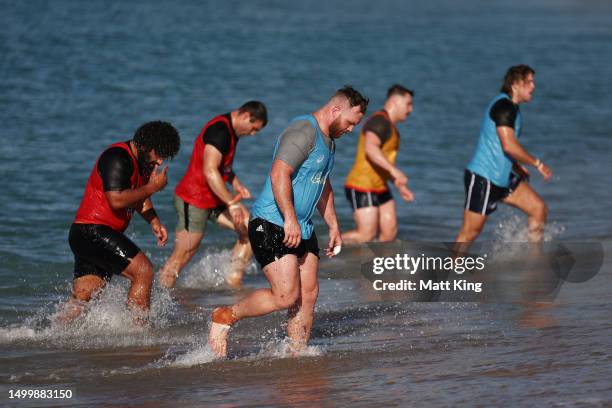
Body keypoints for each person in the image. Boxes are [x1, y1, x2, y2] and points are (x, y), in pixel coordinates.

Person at [208, 86, 369, 357]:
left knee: (309, 294)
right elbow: (279, 172)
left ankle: (298, 353)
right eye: (351, 122)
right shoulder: (304, 130)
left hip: (302, 226)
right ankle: (226, 315)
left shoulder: (329, 142)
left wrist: (333, 225)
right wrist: (290, 220)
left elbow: (322, 183)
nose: (352, 129)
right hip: (272, 223)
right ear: (336, 110)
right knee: (286, 296)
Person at [61, 121, 180, 322]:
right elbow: (117, 200)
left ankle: (52, 335)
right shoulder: (117, 157)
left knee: (86, 294)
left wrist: (154, 221)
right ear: (145, 146)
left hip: (88, 235)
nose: (159, 162)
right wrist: (153, 187)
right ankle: (139, 336)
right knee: (143, 272)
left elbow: (137, 196)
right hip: (92, 231)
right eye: (158, 154)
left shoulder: (142, 162)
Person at [158, 101, 268, 288]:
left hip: (215, 197)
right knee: (181, 258)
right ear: (245, 116)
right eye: (253, 129)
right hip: (193, 200)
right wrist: (232, 204)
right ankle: (157, 301)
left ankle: (232, 282)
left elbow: (222, 166)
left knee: (253, 229)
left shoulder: (233, 132)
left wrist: (236, 183)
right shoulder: (220, 131)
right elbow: (210, 171)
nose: (253, 134)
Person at [455, 65, 552, 254]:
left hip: (503, 177)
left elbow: (500, 145)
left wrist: (516, 166)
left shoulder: (512, 108)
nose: (533, 86)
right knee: (469, 233)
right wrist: (536, 164)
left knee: (538, 208)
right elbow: (509, 145)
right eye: (529, 82)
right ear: (516, 85)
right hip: (484, 177)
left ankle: (535, 260)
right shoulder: (504, 107)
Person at [342, 84, 415, 243]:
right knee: (366, 235)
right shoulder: (379, 122)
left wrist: (399, 184)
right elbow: (371, 149)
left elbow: (383, 161)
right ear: (394, 101)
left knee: (389, 234)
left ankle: (378, 266)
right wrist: (395, 172)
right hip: (361, 185)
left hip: (380, 186)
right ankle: (328, 249)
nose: (411, 109)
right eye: (408, 104)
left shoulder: (391, 127)